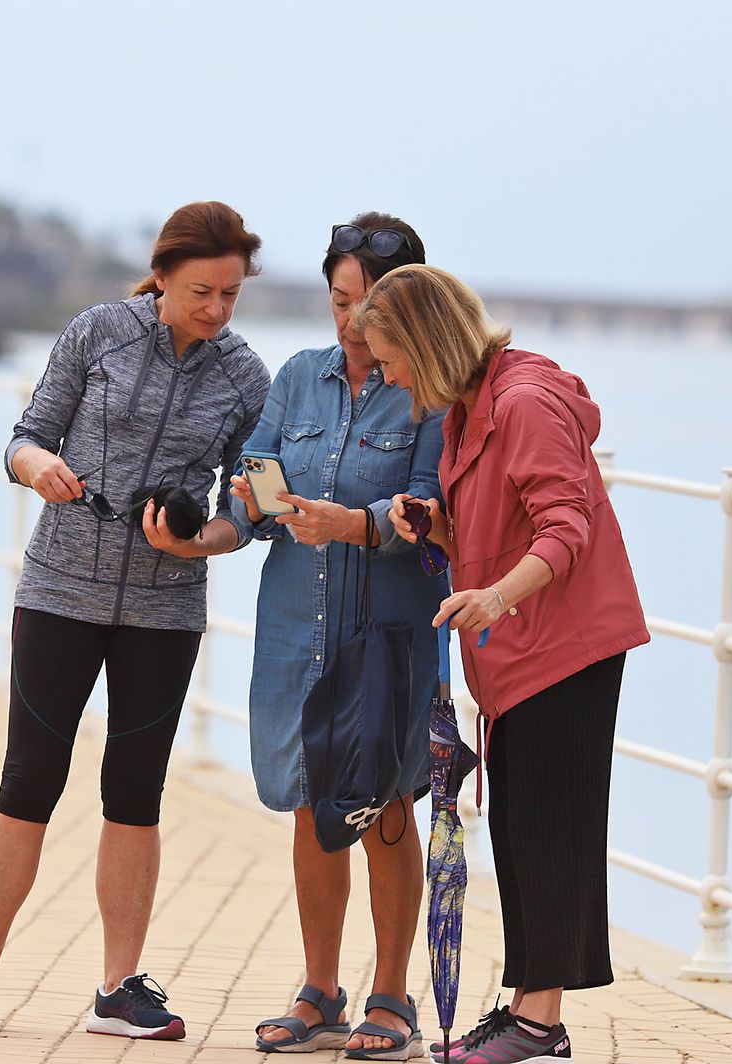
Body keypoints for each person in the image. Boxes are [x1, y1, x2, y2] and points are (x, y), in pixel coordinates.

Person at [0, 201, 271, 1040]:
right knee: (29, 778)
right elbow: (23, 438)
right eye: (202, 291)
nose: (217, 310)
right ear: (162, 275)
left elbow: (254, 500)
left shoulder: (244, 377)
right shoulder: (97, 333)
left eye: (230, 295)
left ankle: (118, 989)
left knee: (135, 794)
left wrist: (209, 542)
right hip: (59, 593)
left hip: (165, 608)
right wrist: (40, 465)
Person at [356, 264, 649, 1063]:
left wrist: (492, 598)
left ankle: (540, 1023)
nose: (387, 377)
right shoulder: (467, 408)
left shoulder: (521, 403)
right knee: (521, 827)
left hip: (566, 644)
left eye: (388, 359)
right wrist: (442, 531)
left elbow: (565, 526)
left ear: (423, 341)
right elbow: (504, 523)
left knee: (552, 827)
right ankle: (529, 1013)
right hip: (520, 651)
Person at [228, 214, 447, 1061]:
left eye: (366, 304)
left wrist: (356, 526)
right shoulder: (296, 377)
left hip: (389, 639)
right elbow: (254, 464)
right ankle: (320, 990)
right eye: (339, 298)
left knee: (388, 806)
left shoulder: (428, 392)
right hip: (295, 632)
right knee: (309, 804)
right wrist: (248, 503)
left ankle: (392, 996)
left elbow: (429, 510)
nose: (349, 321)